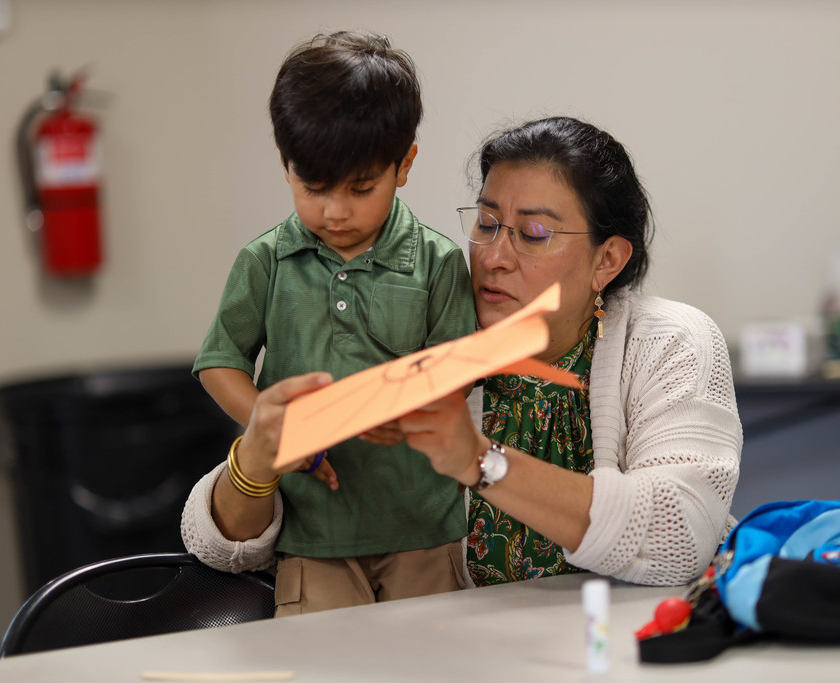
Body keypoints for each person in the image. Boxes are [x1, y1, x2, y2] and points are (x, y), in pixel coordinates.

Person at [183, 115, 742, 594]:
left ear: (607, 260)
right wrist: (254, 465)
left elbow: (680, 536)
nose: (494, 255)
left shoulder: (668, 342)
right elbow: (217, 546)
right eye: (487, 223)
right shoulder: (435, 335)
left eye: (535, 232)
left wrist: (478, 460)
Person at [188, 31, 476, 615]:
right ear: (285, 166)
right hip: (313, 535)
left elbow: (460, 371)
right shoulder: (266, 261)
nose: (335, 211)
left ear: (405, 165)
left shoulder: (439, 261)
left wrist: (405, 406)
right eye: (313, 188)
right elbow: (219, 363)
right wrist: (270, 428)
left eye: (361, 188)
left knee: (437, 664)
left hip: (423, 524)